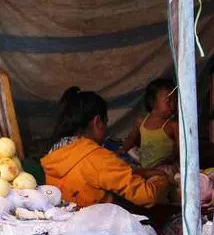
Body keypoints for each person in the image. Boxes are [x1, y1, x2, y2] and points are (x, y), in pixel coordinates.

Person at [41, 87, 169, 208]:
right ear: (97, 122)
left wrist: (142, 172)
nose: (106, 128)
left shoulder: (55, 151)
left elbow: (91, 174)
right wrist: (162, 179)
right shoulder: (97, 156)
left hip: (66, 224)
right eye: (106, 122)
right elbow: (147, 196)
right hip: (98, 227)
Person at [118, 78, 179, 168]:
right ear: (152, 101)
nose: (173, 104)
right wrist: (122, 151)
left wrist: (171, 159)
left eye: (174, 100)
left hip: (166, 169)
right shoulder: (141, 121)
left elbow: (179, 147)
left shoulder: (173, 125)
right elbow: (131, 138)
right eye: (168, 100)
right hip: (146, 169)